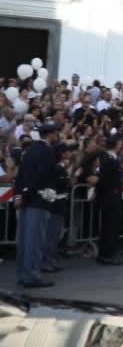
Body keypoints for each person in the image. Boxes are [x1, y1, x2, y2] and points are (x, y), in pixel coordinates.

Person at [14, 123, 60, 288]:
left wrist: (19, 195)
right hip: (38, 199)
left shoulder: (30, 150)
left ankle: (23, 273)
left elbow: (21, 176)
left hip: (27, 199)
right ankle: (32, 275)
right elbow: (40, 177)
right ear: (52, 134)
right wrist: (26, 194)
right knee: (35, 240)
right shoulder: (48, 151)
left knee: (25, 240)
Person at [42, 142, 73, 274]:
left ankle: (50, 261)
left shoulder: (60, 166)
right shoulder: (56, 167)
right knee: (51, 235)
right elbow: (61, 184)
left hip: (59, 203)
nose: (69, 153)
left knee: (55, 235)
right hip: (55, 203)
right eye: (67, 151)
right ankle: (46, 262)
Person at [95, 136, 123, 265]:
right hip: (110, 196)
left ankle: (109, 252)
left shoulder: (112, 157)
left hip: (113, 195)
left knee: (112, 225)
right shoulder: (107, 158)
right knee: (109, 226)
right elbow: (105, 178)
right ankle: (107, 253)